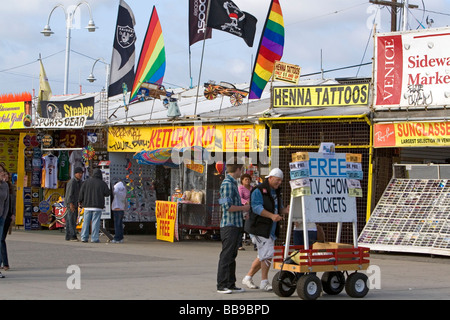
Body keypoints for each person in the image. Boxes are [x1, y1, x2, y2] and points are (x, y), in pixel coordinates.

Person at [243, 168, 289, 291]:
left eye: (281, 181)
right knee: (268, 254)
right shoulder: (258, 190)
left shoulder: (277, 191)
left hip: (270, 229)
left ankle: (248, 277)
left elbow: (279, 209)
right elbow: (256, 207)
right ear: (270, 178)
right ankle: (264, 281)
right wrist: (272, 216)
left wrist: (286, 210)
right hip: (259, 228)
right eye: (277, 180)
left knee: (263, 255)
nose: (279, 183)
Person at [216, 158, 250, 294]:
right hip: (229, 225)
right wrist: (244, 208)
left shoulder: (232, 183)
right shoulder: (228, 184)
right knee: (226, 255)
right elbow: (227, 206)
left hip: (235, 224)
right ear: (237, 169)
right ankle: (222, 284)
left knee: (232, 255)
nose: (241, 172)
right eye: (241, 170)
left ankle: (230, 283)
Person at [79, 168, 111, 243]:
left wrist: (80, 201)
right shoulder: (102, 183)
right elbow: (107, 193)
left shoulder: (86, 182)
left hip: (87, 206)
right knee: (95, 223)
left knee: (86, 222)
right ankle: (94, 238)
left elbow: (81, 193)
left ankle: (84, 237)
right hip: (97, 206)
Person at [1, 169, 15, 271]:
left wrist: (12, 214)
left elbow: (11, 203)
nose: (4, 176)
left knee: (1, 240)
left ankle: (5, 263)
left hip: (6, 216)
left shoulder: (8, 187)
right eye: (2, 174)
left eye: (5, 174)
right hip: (3, 215)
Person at [64, 167, 83, 241]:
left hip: (75, 202)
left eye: (81, 173)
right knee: (72, 219)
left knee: (70, 220)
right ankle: (72, 236)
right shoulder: (72, 182)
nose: (80, 175)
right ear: (75, 174)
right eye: (79, 173)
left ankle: (68, 236)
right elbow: (69, 194)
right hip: (71, 203)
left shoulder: (79, 182)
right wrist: (70, 204)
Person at [238, 173, 252, 250]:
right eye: (245, 179)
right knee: (241, 227)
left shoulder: (252, 188)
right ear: (242, 181)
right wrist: (246, 202)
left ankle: (256, 244)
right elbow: (239, 198)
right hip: (243, 209)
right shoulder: (240, 188)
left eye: (248, 179)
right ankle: (239, 244)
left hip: (251, 209)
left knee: (252, 225)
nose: (247, 181)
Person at [0, 165, 9, 278]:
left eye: (2, 171)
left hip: (1, 217)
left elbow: (7, 202)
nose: (2, 173)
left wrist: (4, 215)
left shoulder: (5, 185)